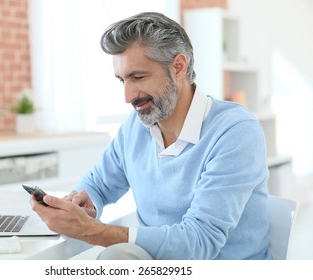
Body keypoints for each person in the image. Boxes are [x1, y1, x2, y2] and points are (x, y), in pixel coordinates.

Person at [30, 12, 271, 260]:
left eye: (138, 77)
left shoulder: (235, 131)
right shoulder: (136, 127)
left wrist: (92, 231)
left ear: (178, 67)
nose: (128, 96)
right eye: (122, 79)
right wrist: (83, 202)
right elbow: (98, 184)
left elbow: (199, 241)